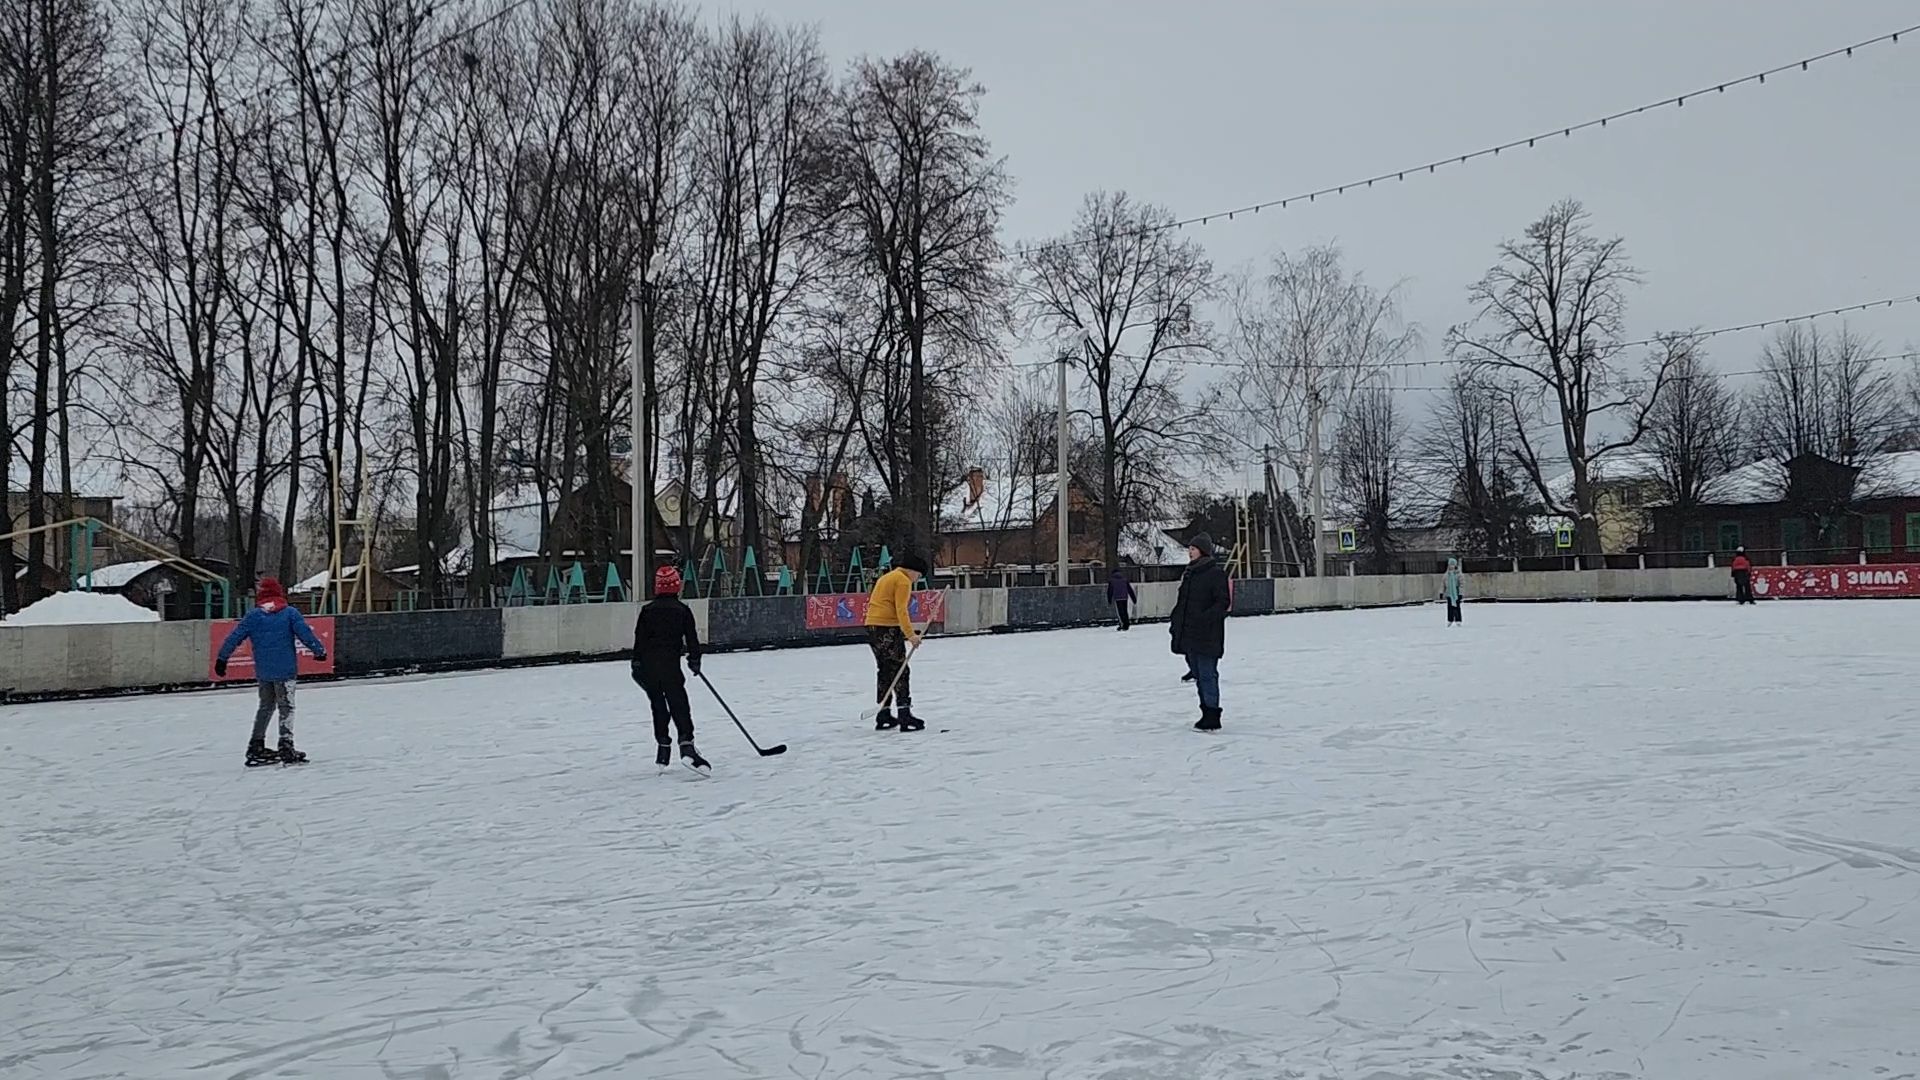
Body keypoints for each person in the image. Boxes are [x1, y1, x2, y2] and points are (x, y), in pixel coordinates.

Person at [215, 577, 327, 767]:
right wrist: (319, 651)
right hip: (286, 671)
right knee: (286, 706)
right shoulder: (289, 613)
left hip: (264, 671)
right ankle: (286, 745)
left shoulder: (253, 616)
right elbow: (305, 634)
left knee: (265, 706)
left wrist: (222, 659)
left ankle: (256, 745)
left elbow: (234, 637)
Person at [631, 566, 707, 772]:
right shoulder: (682, 610)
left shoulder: (647, 611)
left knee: (658, 705)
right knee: (678, 703)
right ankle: (686, 744)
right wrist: (695, 660)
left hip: (648, 666)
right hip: (670, 666)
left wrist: (636, 663)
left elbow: (639, 639)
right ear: (676, 586)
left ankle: (663, 747)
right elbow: (691, 638)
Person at [1169, 534, 1231, 731]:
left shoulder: (1215, 574)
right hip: (1189, 634)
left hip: (1207, 634)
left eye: (1193, 548)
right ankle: (1205, 711)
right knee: (1197, 673)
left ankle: (1212, 715)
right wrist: (1176, 623)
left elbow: (1222, 602)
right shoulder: (1190, 574)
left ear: (1203, 551)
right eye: (1189, 548)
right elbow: (1183, 604)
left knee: (1207, 674)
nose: (1190, 552)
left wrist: (1205, 619)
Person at [866, 553, 929, 732]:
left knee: (885, 669)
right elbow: (901, 610)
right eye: (918, 576)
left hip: (872, 626)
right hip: (888, 628)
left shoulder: (888, 577)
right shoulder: (903, 580)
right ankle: (904, 714)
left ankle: (884, 712)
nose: (916, 580)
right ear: (913, 571)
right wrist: (911, 635)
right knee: (901, 670)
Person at [1444, 556, 1464, 625]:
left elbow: (1461, 584)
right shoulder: (1446, 575)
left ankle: (1458, 620)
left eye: (1453, 565)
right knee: (1450, 607)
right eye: (1450, 565)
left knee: (1457, 607)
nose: (1451, 566)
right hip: (1449, 593)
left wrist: (1460, 593)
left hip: (1456, 593)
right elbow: (1443, 584)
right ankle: (1450, 619)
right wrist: (1441, 592)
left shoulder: (1459, 574)